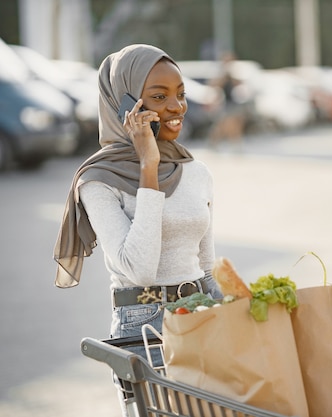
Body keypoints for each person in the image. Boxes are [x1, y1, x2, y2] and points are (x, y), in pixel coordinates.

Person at [52, 44, 223, 397]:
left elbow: (205, 268)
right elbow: (139, 269)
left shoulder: (195, 171)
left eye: (180, 94)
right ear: (124, 106)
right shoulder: (97, 180)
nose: (176, 107)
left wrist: (244, 314)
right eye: (159, 97)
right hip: (143, 330)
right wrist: (148, 165)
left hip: (202, 318)